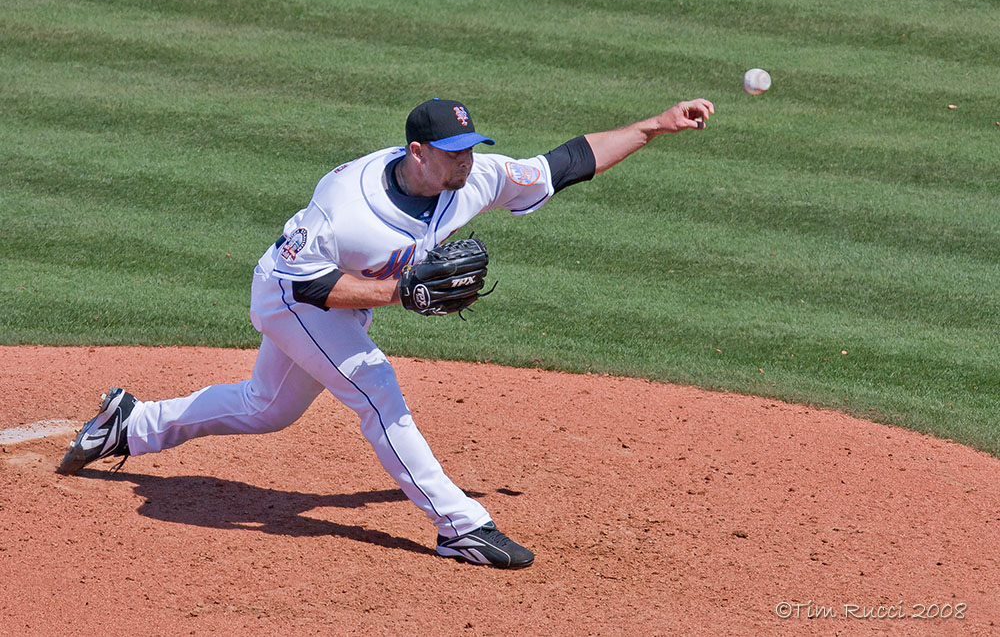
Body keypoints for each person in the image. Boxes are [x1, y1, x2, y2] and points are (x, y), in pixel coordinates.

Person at [57, 96, 715, 569]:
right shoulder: (345, 204)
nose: (468, 162)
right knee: (377, 389)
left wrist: (654, 125)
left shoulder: (473, 177)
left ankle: (130, 425)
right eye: (454, 152)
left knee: (268, 407)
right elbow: (305, 285)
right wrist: (398, 292)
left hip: (341, 300)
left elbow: (565, 163)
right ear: (418, 152)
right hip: (291, 299)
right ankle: (461, 526)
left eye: (471, 148)